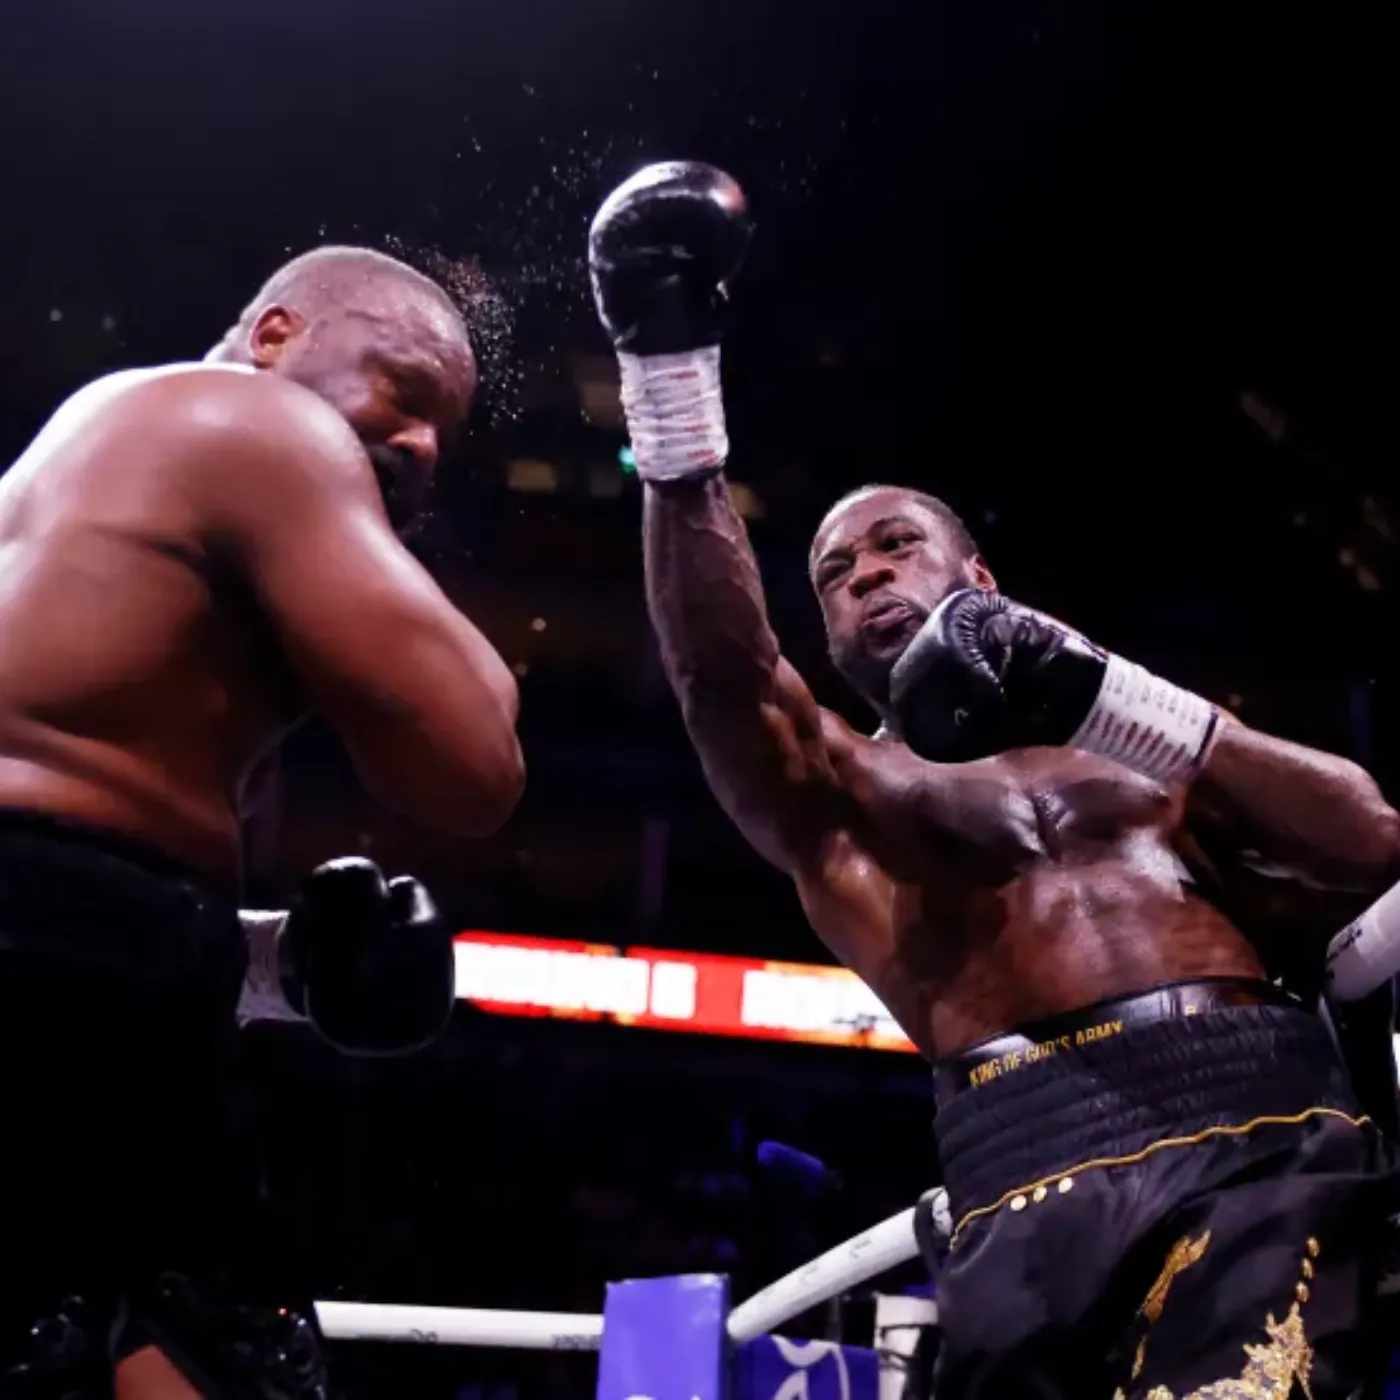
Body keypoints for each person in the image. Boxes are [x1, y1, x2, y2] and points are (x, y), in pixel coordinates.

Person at [589, 162, 1400, 1397]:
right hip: (1017, 1161)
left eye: (893, 543)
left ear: (976, 576)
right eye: (833, 572)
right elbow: (718, 676)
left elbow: (1366, 839)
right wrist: (667, 378)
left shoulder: (1138, 746)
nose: (863, 571)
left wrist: (1105, 693)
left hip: (1251, 1130)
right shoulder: (846, 794)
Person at [0, 246, 524, 1396]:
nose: (422, 444)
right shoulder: (258, 419)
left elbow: (62, 840)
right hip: (65, 976)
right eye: (402, 389)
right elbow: (473, 760)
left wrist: (266, 961)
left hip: (69, 960)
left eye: (444, 430)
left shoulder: (89, 453)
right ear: (277, 333)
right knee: (213, 1347)